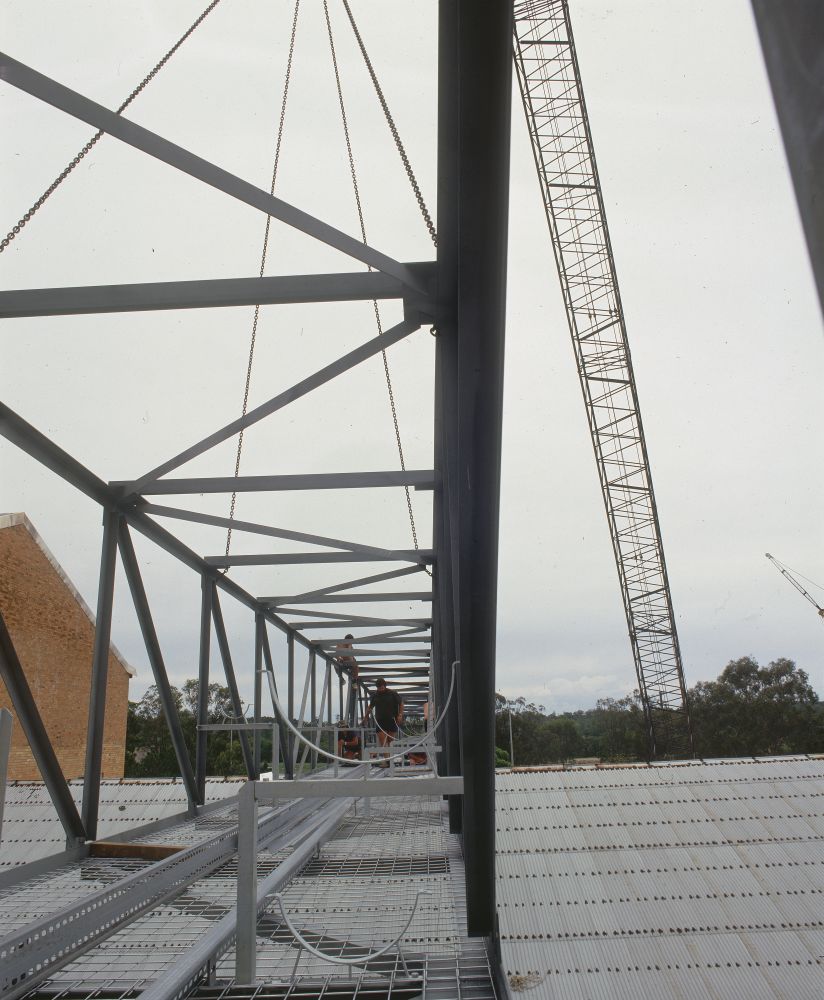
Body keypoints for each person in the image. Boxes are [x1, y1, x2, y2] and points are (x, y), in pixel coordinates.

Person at [362, 677, 403, 764]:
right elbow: (370, 707)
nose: (380, 689)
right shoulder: (375, 695)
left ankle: (390, 759)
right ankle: (387, 761)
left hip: (392, 720)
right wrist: (365, 717)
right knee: (383, 741)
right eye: (379, 688)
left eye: (382, 687)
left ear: (385, 686)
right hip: (380, 721)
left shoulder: (393, 693)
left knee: (390, 741)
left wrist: (400, 715)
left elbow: (401, 703)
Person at [335, 634, 359, 726]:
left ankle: (354, 681)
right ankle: (341, 678)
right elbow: (337, 654)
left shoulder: (350, 646)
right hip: (341, 661)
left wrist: (352, 661)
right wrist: (339, 658)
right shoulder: (340, 644)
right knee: (336, 666)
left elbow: (352, 657)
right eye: (350, 641)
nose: (351, 643)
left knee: (356, 666)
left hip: (349, 661)